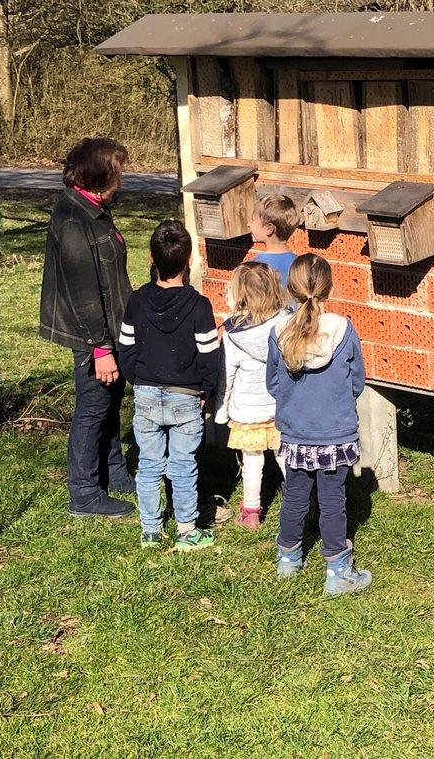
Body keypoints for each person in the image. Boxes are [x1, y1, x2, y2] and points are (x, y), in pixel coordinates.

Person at [39, 137, 136, 518]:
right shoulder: (73, 220)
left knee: (110, 402)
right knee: (93, 409)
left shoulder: (92, 207)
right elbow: (83, 293)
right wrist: (100, 349)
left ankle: (113, 473)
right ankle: (83, 493)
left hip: (109, 328)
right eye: (117, 173)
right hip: (91, 333)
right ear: (100, 175)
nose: (122, 180)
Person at [266, 254, 371, 595]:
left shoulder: (278, 332)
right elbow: (357, 380)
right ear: (330, 287)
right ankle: (338, 571)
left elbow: (273, 383)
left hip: (295, 432)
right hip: (335, 432)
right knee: (332, 500)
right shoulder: (343, 329)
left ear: (290, 288)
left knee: (294, 496)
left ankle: (288, 559)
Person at [117, 219, 222, 550]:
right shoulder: (199, 306)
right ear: (189, 260)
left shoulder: (136, 301)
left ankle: (150, 529)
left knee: (148, 464)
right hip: (187, 397)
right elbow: (210, 355)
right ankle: (187, 529)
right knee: (183, 464)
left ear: (151, 257)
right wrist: (206, 389)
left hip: (146, 394)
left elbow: (125, 347)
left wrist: (139, 378)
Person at [213, 262, 291, 531]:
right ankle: (302, 501)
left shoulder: (232, 333)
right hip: (280, 405)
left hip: (247, 410)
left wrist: (221, 412)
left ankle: (250, 513)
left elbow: (227, 375)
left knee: (251, 461)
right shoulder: (286, 323)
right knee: (285, 456)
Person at [248, 194, 299, 287]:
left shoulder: (254, 269)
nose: (248, 224)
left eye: (252, 220)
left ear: (269, 228)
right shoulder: (301, 265)